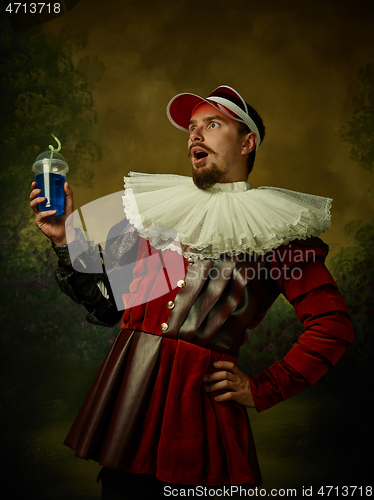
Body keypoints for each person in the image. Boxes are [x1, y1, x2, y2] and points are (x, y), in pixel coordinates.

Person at [30, 86, 353, 498]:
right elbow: (111, 306)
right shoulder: (156, 216)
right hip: (129, 410)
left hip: (197, 417)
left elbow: (332, 326)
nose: (195, 135)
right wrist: (64, 239)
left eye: (212, 124)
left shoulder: (279, 231)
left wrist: (262, 388)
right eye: (192, 128)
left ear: (247, 142)